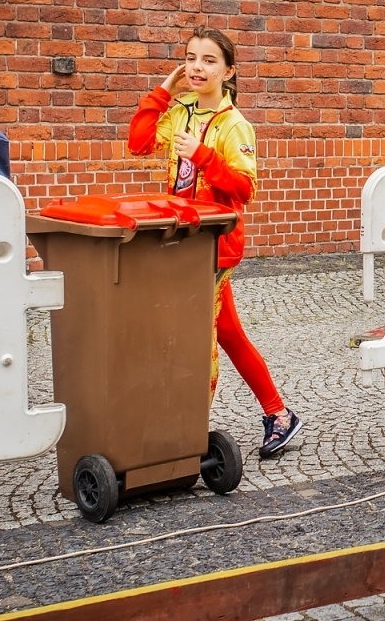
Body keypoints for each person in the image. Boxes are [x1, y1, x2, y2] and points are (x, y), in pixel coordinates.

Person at [127, 29, 307, 460]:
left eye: (209, 60)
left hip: (213, 249)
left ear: (229, 71)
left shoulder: (234, 125)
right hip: (178, 243)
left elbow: (244, 189)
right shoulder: (181, 111)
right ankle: (278, 415)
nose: (197, 67)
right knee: (227, 332)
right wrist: (163, 90)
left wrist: (203, 157)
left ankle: (186, 435)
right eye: (190, 58)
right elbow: (138, 143)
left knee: (196, 339)